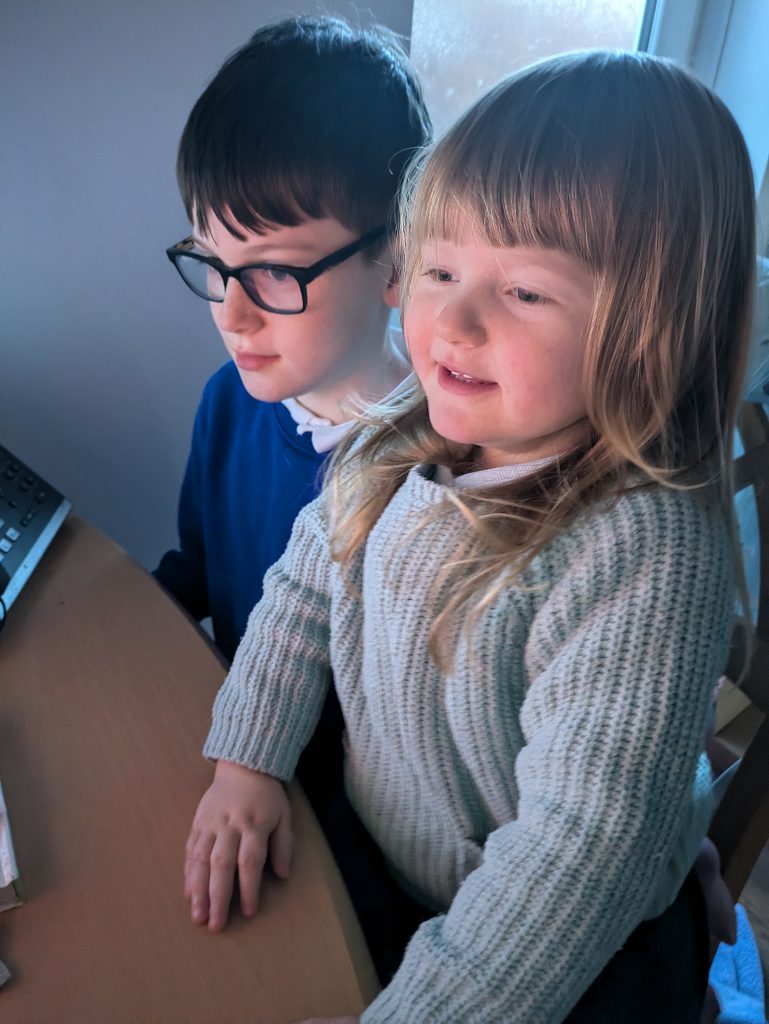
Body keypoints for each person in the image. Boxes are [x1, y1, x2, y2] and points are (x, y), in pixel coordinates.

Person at [184, 49, 756, 1023]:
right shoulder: (403, 433)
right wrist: (247, 760)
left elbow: (575, 855)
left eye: (522, 292)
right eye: (440, 267)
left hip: (561, 946)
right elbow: (302, 591)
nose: (448, 318)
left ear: (650, 327)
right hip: (385, 856)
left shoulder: (644, 552)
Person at [153, 16, 431, 662]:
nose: (231, 314)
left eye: (275, 272)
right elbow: (201, 568)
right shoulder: (228, 401)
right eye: (211, 263)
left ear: (395, 266)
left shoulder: (435, 474)